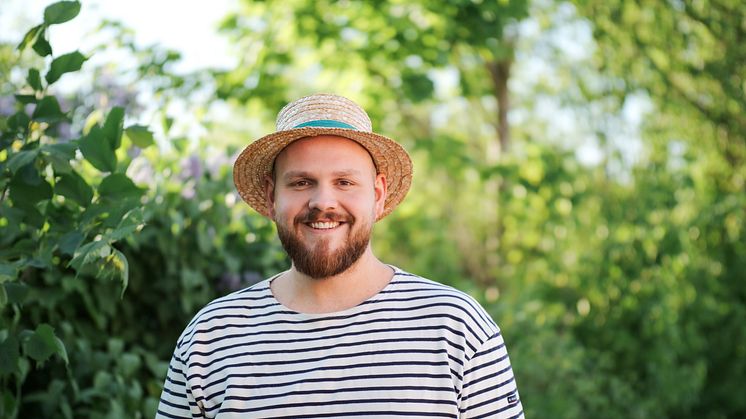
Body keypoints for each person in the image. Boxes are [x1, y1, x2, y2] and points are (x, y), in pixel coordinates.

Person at [156, 93, 523, 418]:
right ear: (271, 198)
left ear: (377, 195)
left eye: (345, 182)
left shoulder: (457, 329)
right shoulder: (211, 337)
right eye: (301, 183)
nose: (323, 202)